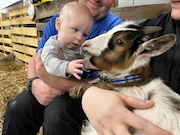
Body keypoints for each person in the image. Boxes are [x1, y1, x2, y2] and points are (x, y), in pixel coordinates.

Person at [2, 0, 173, 135]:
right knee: (17, 107)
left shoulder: (119, 32)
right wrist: (34, 83)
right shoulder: (59, 19)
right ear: (60, 25)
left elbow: (109, 81)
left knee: (57, 115)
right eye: (75, 30)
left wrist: (53, 81)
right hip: (49, 84)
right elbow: (37, 59)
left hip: (85, 91)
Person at [41, 2, 95, 80]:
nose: (80, 38)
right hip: (51, 84)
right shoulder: (52, 44)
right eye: (75, 29)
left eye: (84, 35)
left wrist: (87, 64)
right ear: (59, 24)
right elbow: (48, 62)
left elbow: (79, 63)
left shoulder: (77, 48)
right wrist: (67, 67)